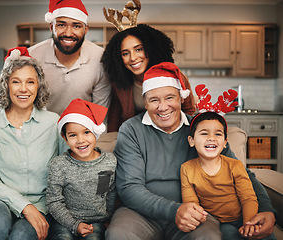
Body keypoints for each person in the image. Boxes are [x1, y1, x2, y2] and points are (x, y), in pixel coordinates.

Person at [105, 62, 276, 240]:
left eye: (170, 98)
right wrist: (174, 210)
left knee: (208, 236)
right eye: (154, 100)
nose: (163, 107)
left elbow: (243, 174)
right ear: (145, 103)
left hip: (195, 210)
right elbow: (129, 187)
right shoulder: (131, 130)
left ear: (181, 98)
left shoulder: (202, 128)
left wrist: (266, 210)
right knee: (119, 234)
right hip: (140, 213)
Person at [0, 47, 67, 240]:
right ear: (6, 85)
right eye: (16, 82)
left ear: (39, 86)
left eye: (30, 82)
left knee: (22, 235)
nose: (23, 89)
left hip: (40, 204)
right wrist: (25, 207)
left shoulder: (54, 122)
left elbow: (67, 170)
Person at [101, 24, 196, 132]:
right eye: (125, 53)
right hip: (135, 137)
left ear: (151, 49)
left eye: (138, 49)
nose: (133, 58)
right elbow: (114, 117)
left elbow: (188, 110)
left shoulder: (174, 77)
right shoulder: (119, 83)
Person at [181, 110, 260, 239]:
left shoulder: (235, 166)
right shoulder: (187, 169)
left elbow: (248, 198)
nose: (211, 138)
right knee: (229, 235)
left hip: (244, 217)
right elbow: (191, 203)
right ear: (191, 140)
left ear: (224, 143)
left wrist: (249, 224)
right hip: (216, 223)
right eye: (204, 133)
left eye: (218, 134)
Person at [47, 98, 117, 239]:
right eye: (73, 135)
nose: (80, 140)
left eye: (86, 132)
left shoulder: (109, 162)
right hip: (64, 222)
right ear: (65, 138)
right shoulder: (59, 165)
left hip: (96, 222)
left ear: (95, 133)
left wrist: (108, 218)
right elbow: (53, 201)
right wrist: (74, 224)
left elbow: (110, 193)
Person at [28, 0, 111, 115]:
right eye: (61, 25)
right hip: (42, 128)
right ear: (51, 27)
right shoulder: (32, 56)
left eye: (76, 26)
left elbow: (99, 111)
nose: (68, 33)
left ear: (86, 29)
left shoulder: (101, 58)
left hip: (83, 129)